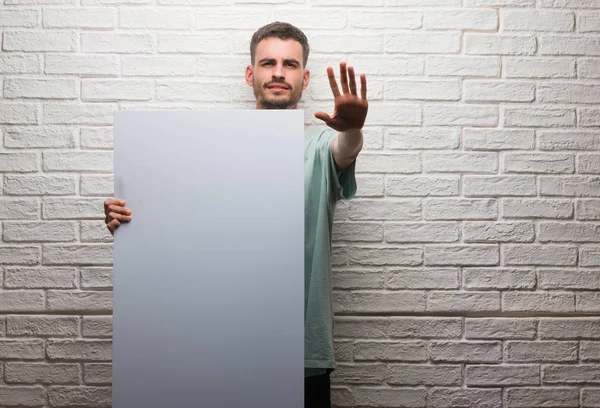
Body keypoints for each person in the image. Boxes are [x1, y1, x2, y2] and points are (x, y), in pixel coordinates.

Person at [104, 21, 368, 408]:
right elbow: (186, 231)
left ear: (305, 76)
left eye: (290, 64)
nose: (278, 72)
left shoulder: (321, 143)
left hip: (297, 352)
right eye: (268, 63)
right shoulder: (208, 145)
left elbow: (344, 151)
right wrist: (131, 224)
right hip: (215, 346)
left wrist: (354, 131)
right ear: (251, 73)